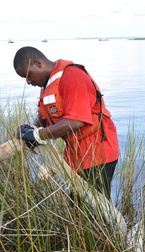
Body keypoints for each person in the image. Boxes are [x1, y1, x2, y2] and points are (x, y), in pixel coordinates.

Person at [13, 46, 120, 200]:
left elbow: (76, 121)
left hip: (98, 153)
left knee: (95, 210)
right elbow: (44, 117)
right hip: (76, 155)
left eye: (29, 76)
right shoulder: (47, 84)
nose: (28, 82)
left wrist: (38, 135)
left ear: (38, 63)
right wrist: (29, 129)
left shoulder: (72, 77)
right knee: (78, 206)